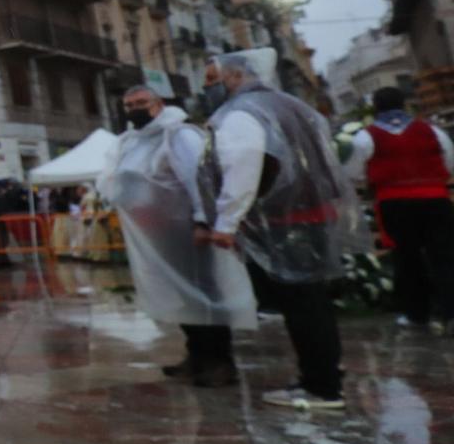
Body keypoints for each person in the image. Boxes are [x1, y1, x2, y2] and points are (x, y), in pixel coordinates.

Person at [204, 49, 357, 410]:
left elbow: (242, 168)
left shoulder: (242, 113)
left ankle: (321, 385)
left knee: (302, 304)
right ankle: (326, 370)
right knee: (313, 300)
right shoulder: (292, 106)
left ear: (237, 76)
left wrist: (226, 222)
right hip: (314, 214)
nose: (208, 88)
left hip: (285, 220)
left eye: (214, 80)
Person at [100, 84, 256, 386]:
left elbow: (198, 180)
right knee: (183, 296)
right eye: (129, 105)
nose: (135, 109)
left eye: (141, 102)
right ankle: (196, 355)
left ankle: (219, 362)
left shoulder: (178, 135)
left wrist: (202, 221)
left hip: (187, 230)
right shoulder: (133, 141)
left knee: (205, 293)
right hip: (159, 234)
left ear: (158, 104)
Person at [347, 85, 454, 332]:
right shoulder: (432, 130)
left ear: (375, 107)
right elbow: (449, 161)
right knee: (445, 256)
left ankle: (418, 314)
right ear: (404, 104)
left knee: (407, 258)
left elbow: (353, 172)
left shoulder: (366, 136)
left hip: (395, 202)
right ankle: (451, 312)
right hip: (435, 199)